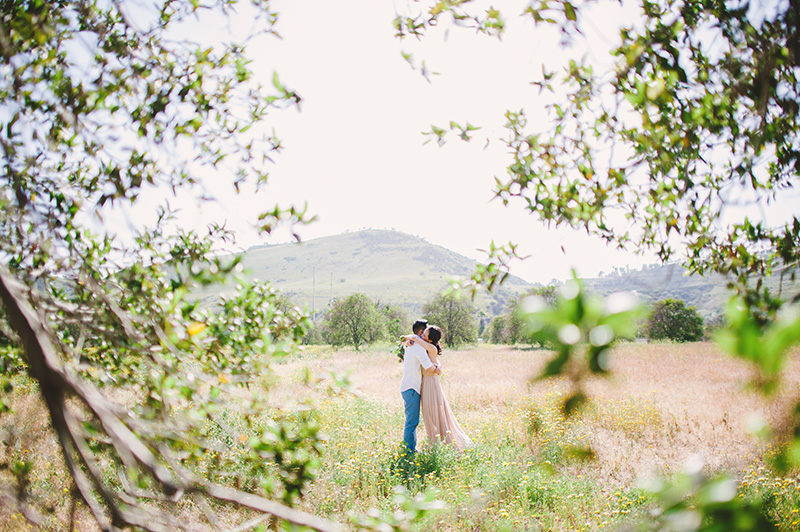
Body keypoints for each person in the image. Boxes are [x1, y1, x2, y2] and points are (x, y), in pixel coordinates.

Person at [406, 325, 472, 450]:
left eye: (424, 334)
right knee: (430, 414)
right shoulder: (427, 346)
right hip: (426, 383)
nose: (422, 335)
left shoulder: (430, 347)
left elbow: (415, 337)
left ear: (430, 340)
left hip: (430, 384)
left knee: (434, 413)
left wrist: (412, 338)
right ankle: (437, 442)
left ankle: (440, 444)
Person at [400, 319, 440, 453]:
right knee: (412, 422)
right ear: (422, 332)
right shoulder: (417, 347)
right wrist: (437, 369)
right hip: (411, 387)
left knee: (412, 421)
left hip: (411, 386)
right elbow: (428, 367)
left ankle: (411, 448)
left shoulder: (414, 345)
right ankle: (409, 451)